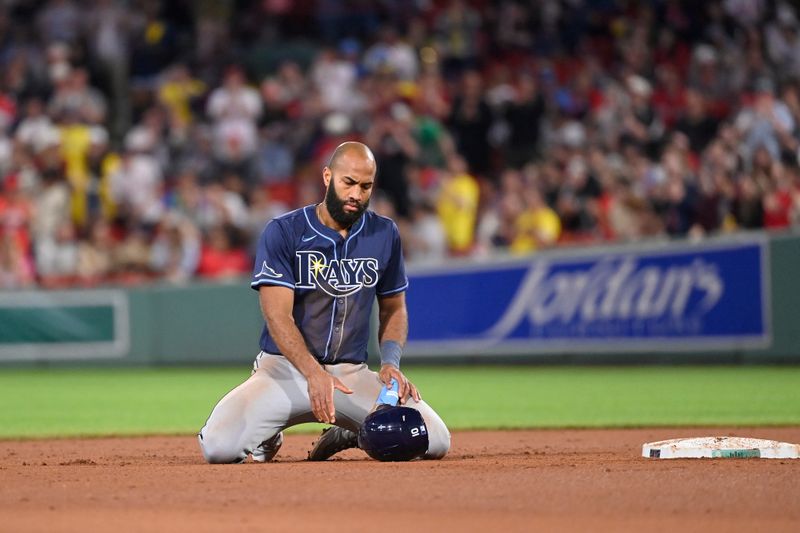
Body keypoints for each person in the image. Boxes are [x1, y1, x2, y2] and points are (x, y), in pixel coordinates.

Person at [198, 141, 450, 463]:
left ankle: (352, 432)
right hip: (284, 371)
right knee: (219, 448)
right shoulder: (284, 231)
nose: (356, 194)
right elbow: (277, 317)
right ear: (328, 176)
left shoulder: (384, 234)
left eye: (365, 186)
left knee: (433, 439)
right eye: (349, 183)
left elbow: (394, 307)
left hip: (349, 375)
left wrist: (390, 363)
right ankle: (268, 434)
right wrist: (313, 373)